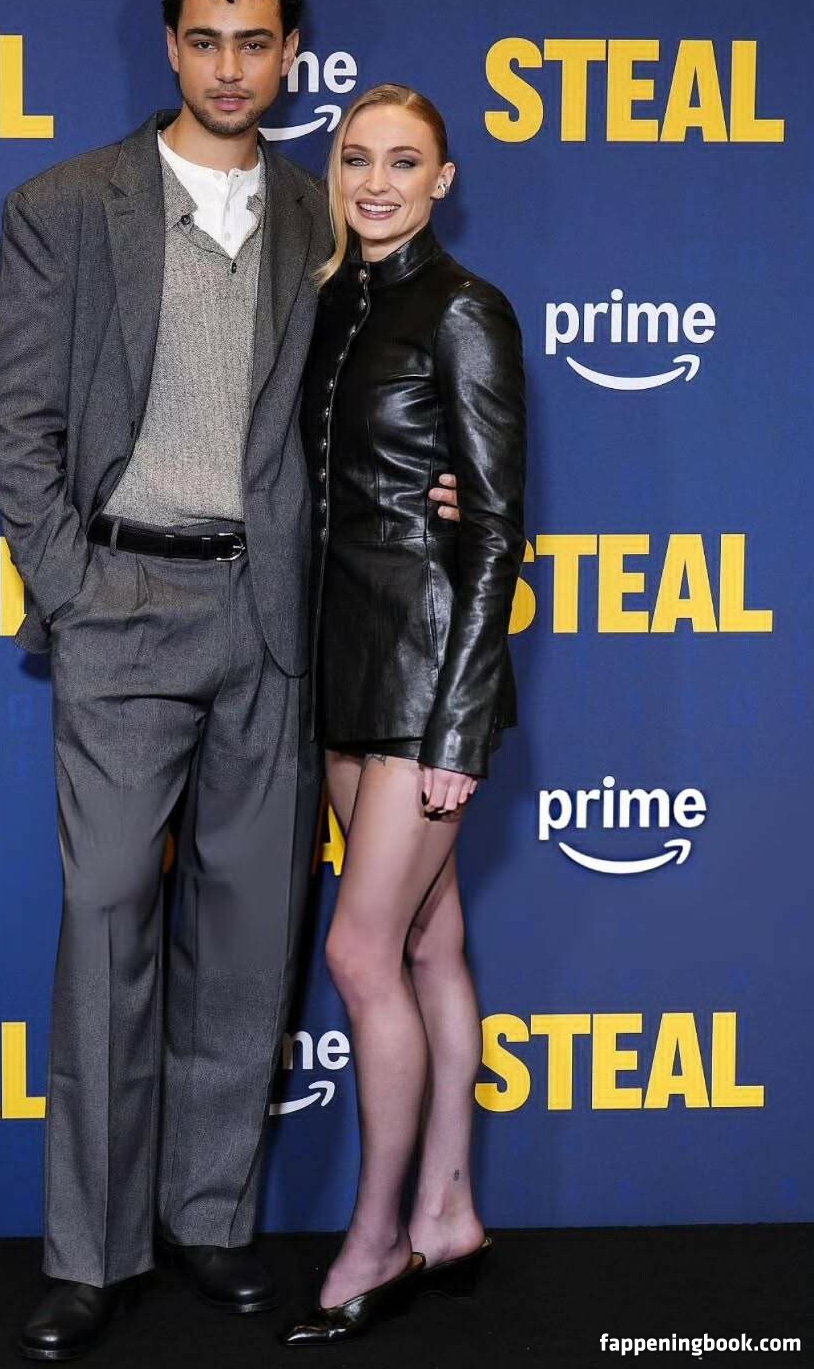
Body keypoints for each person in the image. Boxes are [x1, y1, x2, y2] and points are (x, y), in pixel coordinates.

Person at [0, 0, 461, 1359]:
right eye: (206, 40)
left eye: (255, 43)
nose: (230, 67)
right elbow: (17, 423)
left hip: (278, 620)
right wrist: (74, 589)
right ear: (172, 47)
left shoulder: (328, 215)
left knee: (251, 940)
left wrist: (433, 483)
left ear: (290, 53)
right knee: (106, 924)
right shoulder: (65, 207)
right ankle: (92, 1253)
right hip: (121, 606)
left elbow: (382, 387)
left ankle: (207, 1217)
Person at [280, 83, 527, 1347]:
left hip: (429, 675)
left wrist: (458, 726)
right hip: (343, 666)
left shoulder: (467, 310)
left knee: (361, 956)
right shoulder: (332, 302)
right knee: (429, 945)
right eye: (357, 158)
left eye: (404, 162)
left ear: (443, 180)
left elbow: (496, 529)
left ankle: (375, 1239)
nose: (376, 182)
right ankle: (451, 1209)